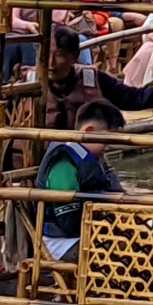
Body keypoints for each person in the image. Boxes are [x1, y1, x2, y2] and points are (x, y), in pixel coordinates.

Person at [36, 100, 127, 263]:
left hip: (91, 232)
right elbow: (68, 220)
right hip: (65, 243)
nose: (108, 147)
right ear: (89, 131)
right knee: (128, 250)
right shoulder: (63, 161)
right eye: (107, 141)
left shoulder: (94, 160)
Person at [42, 26, 153, 129]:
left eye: (59, 55)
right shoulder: (33, 83)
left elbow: (134, 99)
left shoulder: (92, 78)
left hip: (85, 151)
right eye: (46, 54)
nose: (51, 63)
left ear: (74, 56)